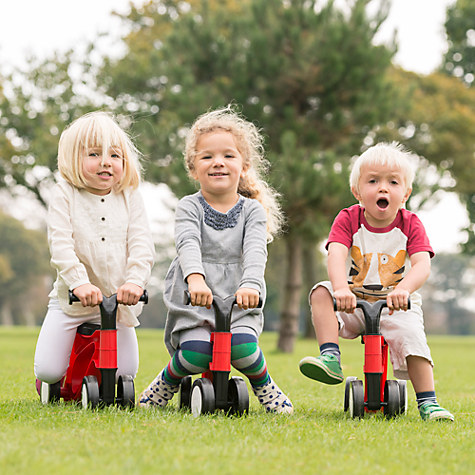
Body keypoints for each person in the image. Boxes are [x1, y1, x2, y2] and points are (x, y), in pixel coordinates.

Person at [139, 106, 293, 414]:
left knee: (244, 349)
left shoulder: (252, 211)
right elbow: (188, 242)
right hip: (194, 295)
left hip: (240, 295)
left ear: (244, 166)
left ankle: (264, 384)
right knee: (196, 353)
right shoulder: (189, 206)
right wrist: (195, 278)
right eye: (207, 156)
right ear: (194, 169)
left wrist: (250, 284)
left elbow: (254, 251)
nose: (217, 162)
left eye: (228, 155)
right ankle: (167, 381)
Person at [299, 142, 454, 422]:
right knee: (320, 292)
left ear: (405, 193)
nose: (383, 188)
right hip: (354, 301)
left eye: (393, 182)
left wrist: (404, 290)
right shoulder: (348, 218)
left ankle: (428, 402)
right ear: (357, 191)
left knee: (414, 342)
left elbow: (422, 264)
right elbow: (336, 255)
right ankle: (330, 358)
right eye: (373, 181)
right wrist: (341, 289)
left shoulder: (411, 223)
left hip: (396, 304)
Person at [34, 111, 155, 387]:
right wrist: (79, 284)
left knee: (125, 372)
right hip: (73, 301)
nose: (105, 162)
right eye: (93, 155)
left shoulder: (129, 196)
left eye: (114, 155)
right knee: (49, 371)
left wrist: (135, 281)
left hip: (117, 301)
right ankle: (61, 373)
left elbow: (141, 243)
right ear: (73, 159)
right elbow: (61, 245)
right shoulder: (65, 193)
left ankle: (90, 369)